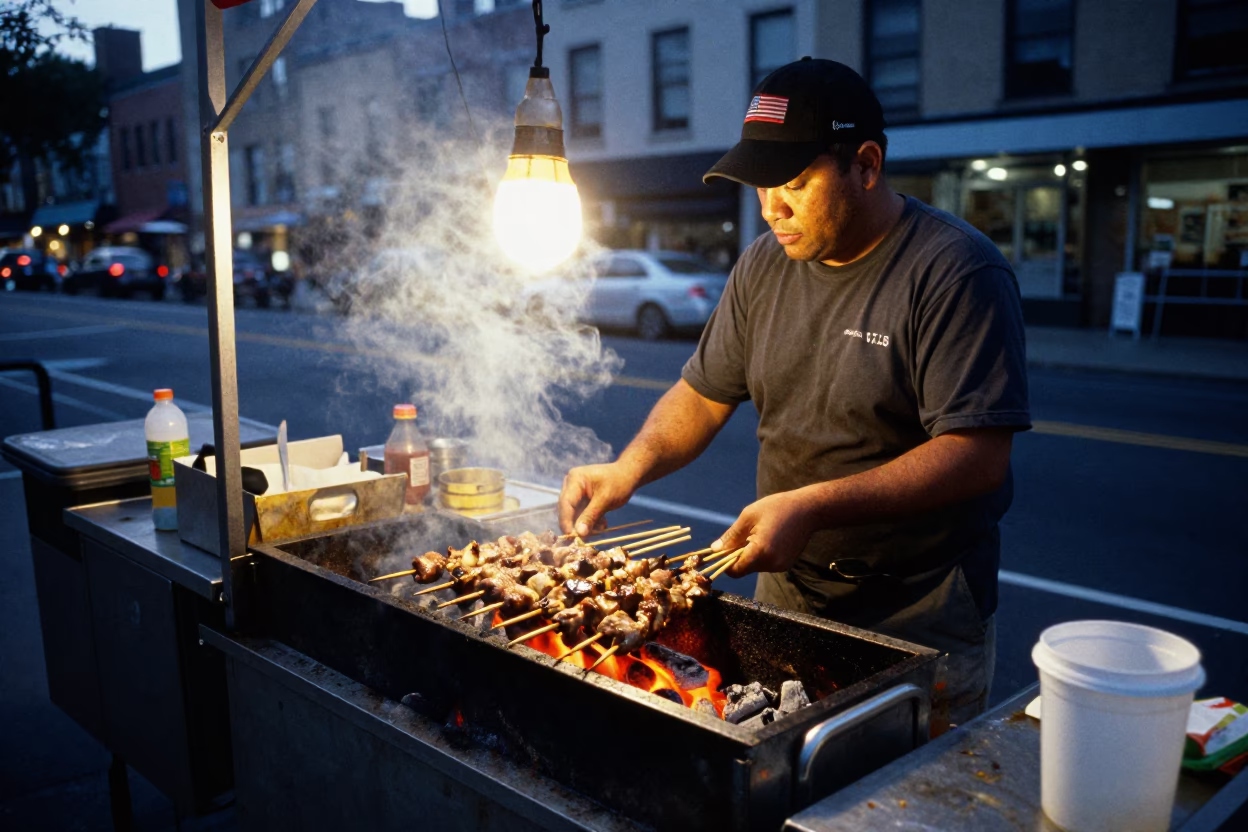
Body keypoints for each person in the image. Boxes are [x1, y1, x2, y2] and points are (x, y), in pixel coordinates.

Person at [557, 57, 1031, 730]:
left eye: (795, 182)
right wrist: (627, 468)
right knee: (783, 781)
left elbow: (977, 455)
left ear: (866, 164)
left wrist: (811, 506)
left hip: (920, 611)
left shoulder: (956, 271)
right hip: (791, 597)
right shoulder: (762, 266)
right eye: (760, 185)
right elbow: (702, 394)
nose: (770, 209)